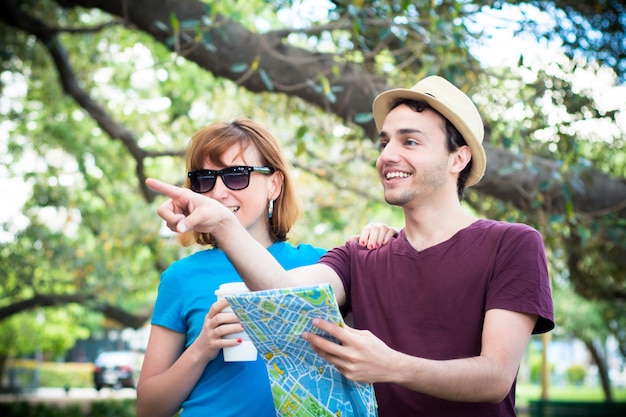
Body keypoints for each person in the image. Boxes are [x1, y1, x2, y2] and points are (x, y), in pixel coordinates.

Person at [146, 76, 555, 417]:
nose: (388, 155)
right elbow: (283, 295)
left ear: (458, 159)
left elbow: (496, 377)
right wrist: (221, 221)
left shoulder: (512, 244)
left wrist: (392, 366)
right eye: (385, 142)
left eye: (409, 142)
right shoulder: (361, 255)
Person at [136, 118, 397, 417]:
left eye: (236, 175)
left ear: (274, 184)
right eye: (205, 179)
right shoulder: (180, 278)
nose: (218, 193)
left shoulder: (322, 265)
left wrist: (382, 239)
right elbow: (148, 408)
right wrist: (202, 348)